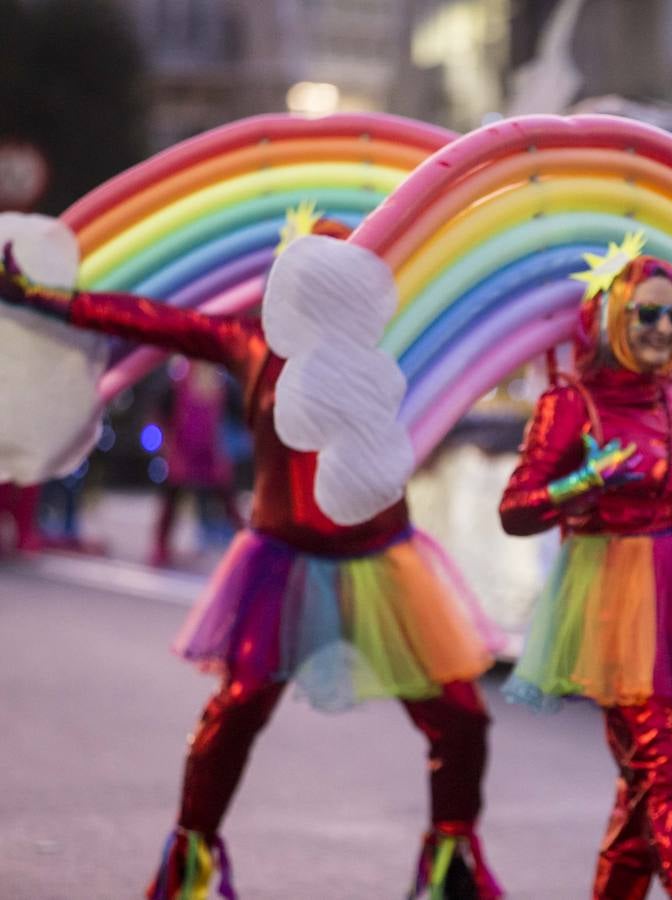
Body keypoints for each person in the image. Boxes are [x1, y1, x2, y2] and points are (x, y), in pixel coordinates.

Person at [0, 228, 501, 900]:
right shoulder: (254, 345)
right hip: (283, 562)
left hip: (382, 563)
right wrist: (42, 299)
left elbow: (489, 326)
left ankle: (451, 867)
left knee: (461, 717)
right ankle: (191, 865)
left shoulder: (397, 346)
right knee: (234, 715)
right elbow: (155, 321)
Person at [498, 252, 672, 900]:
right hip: (615, 613)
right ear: (612, 318)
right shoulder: (571, 404)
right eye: (645, 313)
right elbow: (516, 511)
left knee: (649, 788)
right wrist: (584, 481)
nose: (663, 328)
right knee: (665, 777)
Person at [150, 358, 245, 567]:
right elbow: (161, 413)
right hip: (182, 450)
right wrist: (167, 448)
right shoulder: (178, 377)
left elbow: (238, 416)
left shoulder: (222, 382)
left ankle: (248, 550)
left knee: (228, 502)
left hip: (212, 451)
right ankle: (160, 548)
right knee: (171, 499)